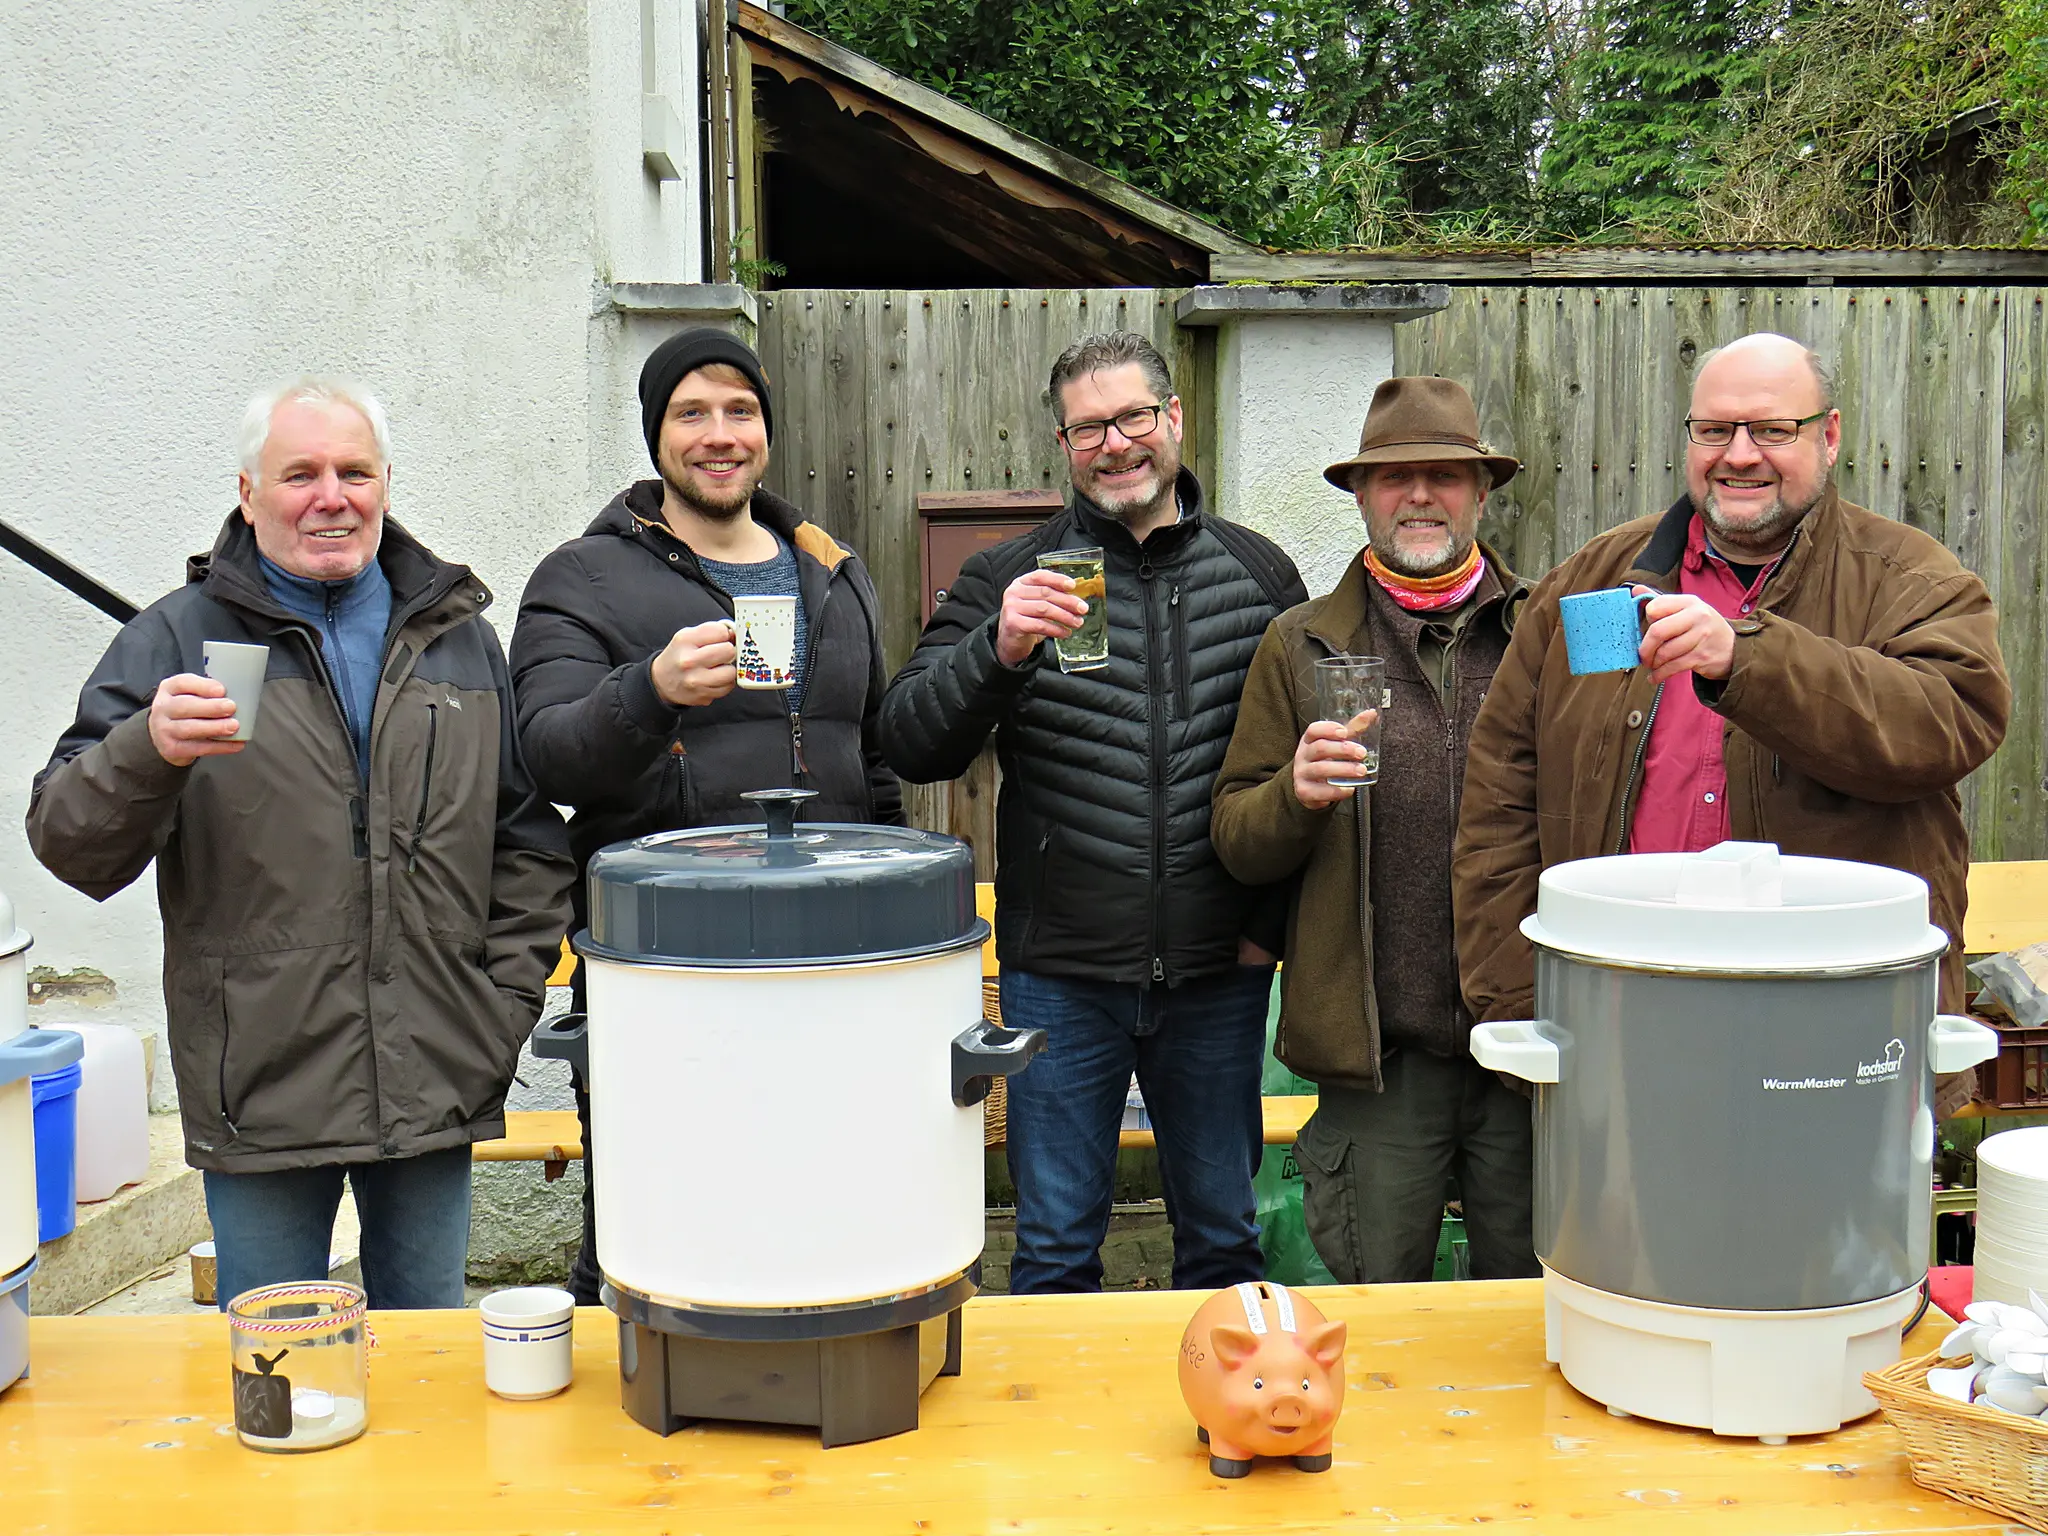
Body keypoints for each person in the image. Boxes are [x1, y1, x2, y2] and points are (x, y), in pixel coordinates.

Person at [26, 378, 575, 1309]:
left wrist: (499, 1010)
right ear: (248, 494)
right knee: (278, 1373)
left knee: (426, 1374)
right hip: (264, 1084)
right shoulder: (177, 638)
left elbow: (523, 843)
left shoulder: (456, 640)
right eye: (300, 474)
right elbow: (68, 842)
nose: (332, 496)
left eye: (354, 471)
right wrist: (145, 751)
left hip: (436, 1072)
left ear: (387, 485)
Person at [1454, 333, 2010, 1093]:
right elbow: (1499, 800)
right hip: (1618, 1034)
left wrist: (1745, 658)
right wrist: (1525, 1004)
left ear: (1830, 435)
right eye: (1714, 430)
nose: (1739, 454)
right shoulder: (1594, 583)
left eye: (1773, 430)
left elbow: (1946, 724)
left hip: (1833, 1050)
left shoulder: (1912, 581)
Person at [878, 330, 1307, 1294]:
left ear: (1174, 422)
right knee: (1057, 1249)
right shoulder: (1011, 576)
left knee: (1223, 1246)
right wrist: (995, 649)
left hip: (1216, 973)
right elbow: (909, 741)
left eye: (1133, 419)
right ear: (1063, 446)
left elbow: (1296, 777)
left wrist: (1265, 936)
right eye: (1087, 429)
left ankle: (1222, 1424)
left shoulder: (1260, 574)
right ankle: (1057, 1449)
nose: (1115, 445)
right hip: (1060, 975)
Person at [511, 326, 901, 1304]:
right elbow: (545, 749)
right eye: (691, 412)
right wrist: (647, 690)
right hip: (666, 972)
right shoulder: (583, 576)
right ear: (656, 436)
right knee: (661, 1222)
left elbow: (871, 755)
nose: (717, 434)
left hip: (825, 963)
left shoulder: (828, 567)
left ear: (765, 429)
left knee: (819, 1208)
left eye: (739, 410)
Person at [1211, 376, 1538, 1285]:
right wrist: (1296, 793)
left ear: (1481, 492)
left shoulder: (1539, 633)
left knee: (1537, 1319)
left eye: (1443, 475)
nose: (1421, 496)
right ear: (1361, 495)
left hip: (1531, 1050)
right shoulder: (1300, 645)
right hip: (1380, 1060)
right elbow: (1237, 836)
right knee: (1384, 1326)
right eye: (1396, 478)